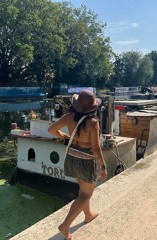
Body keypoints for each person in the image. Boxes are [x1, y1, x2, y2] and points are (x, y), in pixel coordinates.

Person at [48, 89, 107, 240]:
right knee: (86, 194)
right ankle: (65, 225)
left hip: (72, 157)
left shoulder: (68, 117)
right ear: (93, 106)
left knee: (83, 191)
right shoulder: (93, 123)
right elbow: (95, 148)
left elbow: (51, 129)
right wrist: (103, 165)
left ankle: (88, 215)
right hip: (86, 161)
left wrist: (65, 137)